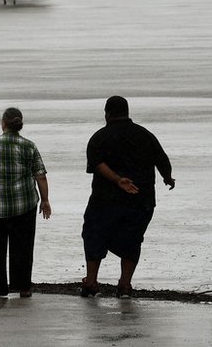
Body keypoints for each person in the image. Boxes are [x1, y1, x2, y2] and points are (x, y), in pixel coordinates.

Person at [81, 96, 175, 299]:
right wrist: (167, 178)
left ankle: (91, 283)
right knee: (133, 239)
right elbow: (162, 159)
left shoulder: (99, 137)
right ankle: (124, 286)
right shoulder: (145, 135)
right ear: (127, 112)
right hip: (141, 199)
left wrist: (117, 180)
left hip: (105, 200)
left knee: (94, 235)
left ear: (107, 113)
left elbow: (97, 164)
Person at [0, 107, 51, 298]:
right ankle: (23, 287)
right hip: (23, 204)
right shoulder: (29, 146)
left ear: (3, 123)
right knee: (23, 247)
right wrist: (45, 200)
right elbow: (40, 175)